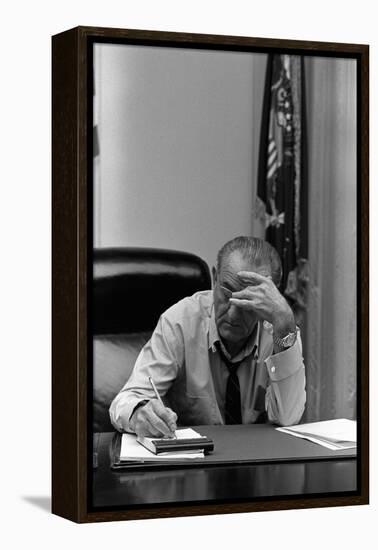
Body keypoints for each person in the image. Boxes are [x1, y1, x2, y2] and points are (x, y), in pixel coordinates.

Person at [109, 236, 306, 437]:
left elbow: (288, 418)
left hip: (257, 460)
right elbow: (125, 400)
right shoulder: (180, 321)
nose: (232, 314)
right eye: (226, 293)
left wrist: (285, 322)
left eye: (248, 302)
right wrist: (139, 413)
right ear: (214, 278)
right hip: (193, 460)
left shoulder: (280, 330)